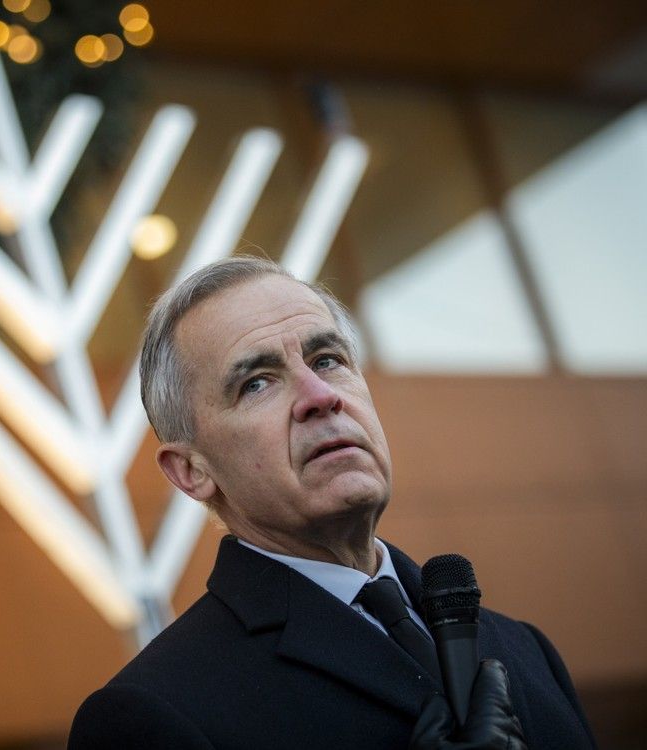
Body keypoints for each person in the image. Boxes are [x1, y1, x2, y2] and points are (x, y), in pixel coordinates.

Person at [68, 256, 596, 749]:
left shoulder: (526, 649)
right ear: (191, 471)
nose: (321, 395)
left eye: (327, 359)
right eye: (256, 384)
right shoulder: (147, 716)